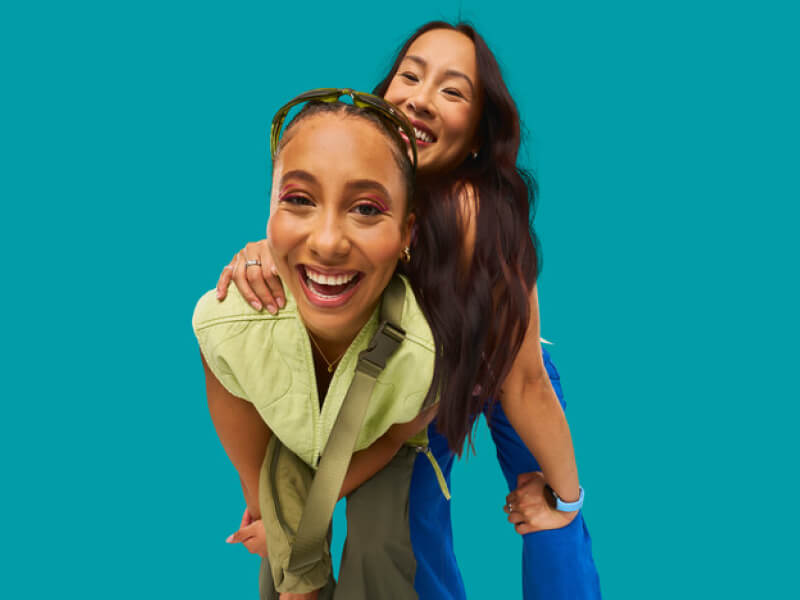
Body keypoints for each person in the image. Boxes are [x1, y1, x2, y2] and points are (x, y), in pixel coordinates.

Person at [218, 22, 601, 599]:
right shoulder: (361, 170)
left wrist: (567, 499)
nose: (421, 98)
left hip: (500, 364)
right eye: (411, 76)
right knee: (404, 524)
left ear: (476, 133)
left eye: (453, 91)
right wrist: (260, 253)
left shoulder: (475, 213)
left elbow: (522, 381)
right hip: (422, 377)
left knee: (545, 516)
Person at [195, 92, 451, 600]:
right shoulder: (229, 326)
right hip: (290, 441)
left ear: (407, 231)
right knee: (281, 563)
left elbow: (396, 434)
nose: (329, 241)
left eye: (366, 208)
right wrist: (269, 514)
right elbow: (238, 413)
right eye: (299, 199)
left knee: (383, 546)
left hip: (381, 442)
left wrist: (313, 518)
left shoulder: (422, 357)